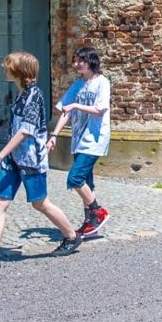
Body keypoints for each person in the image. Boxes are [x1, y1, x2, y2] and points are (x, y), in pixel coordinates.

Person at [0, 51, 82, 271]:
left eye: (8, 65)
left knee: (40, 203)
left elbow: (25, 132)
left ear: (19, 70)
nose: (4, 68)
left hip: (30, 160)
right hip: (13, 160)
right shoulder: (22, 93)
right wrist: (6, 157)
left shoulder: (34, 95)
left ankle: (72, 236)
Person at [49, 46, 112, 238]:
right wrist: (54, 135)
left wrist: (76, 105)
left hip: (94, 139)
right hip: (78, 139)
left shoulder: (102, 83)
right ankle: (90, 223)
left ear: (91, 62)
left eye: (80, 61)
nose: (76, 65)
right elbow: (66, 111)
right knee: (87, 182)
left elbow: (100, 110)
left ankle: (98, 212)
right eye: (75, 61)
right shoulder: (78, 85)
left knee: (75, 178)